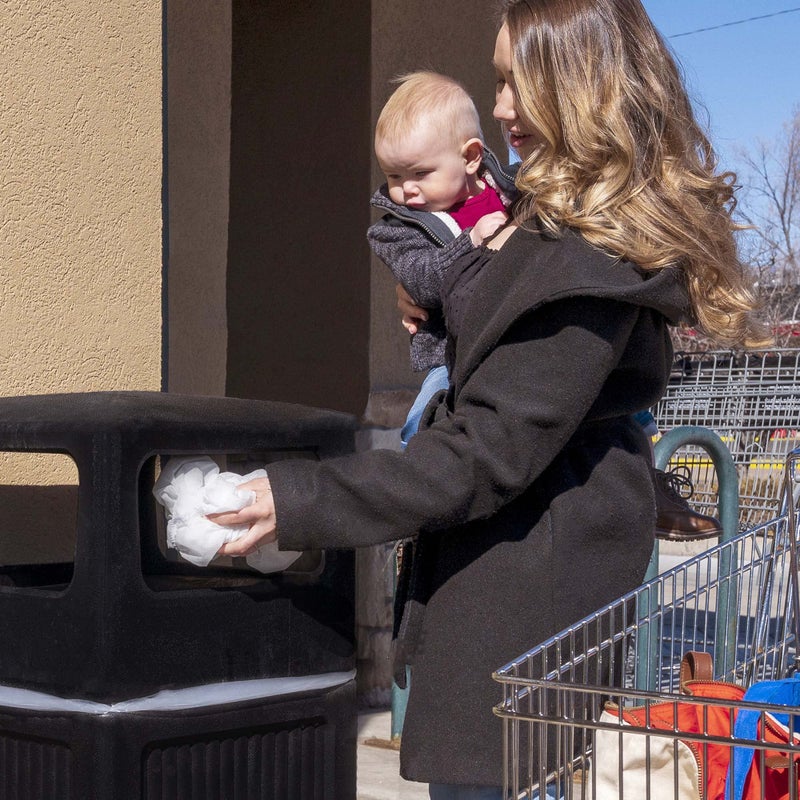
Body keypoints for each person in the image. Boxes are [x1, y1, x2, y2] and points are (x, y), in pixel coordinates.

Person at [213, 1, 767, 797]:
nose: (501, 104)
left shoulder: (583, 262)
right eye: (499, 81)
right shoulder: (545, 226)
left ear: (579, 86)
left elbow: (485, 449)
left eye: (517, 81)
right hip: (523, 604)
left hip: (518, 624)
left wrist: (299, 498)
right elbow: (575, 409)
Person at [367, 71, 517, 446]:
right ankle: (413, 473)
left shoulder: (514, 190)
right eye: (394, 175)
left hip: (515, 338)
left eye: (420, 173)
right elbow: (418, 279)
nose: (407, 189)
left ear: (470, 157)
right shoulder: (396, 229)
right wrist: (469, 242)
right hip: (452, 354)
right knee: (424, 420)